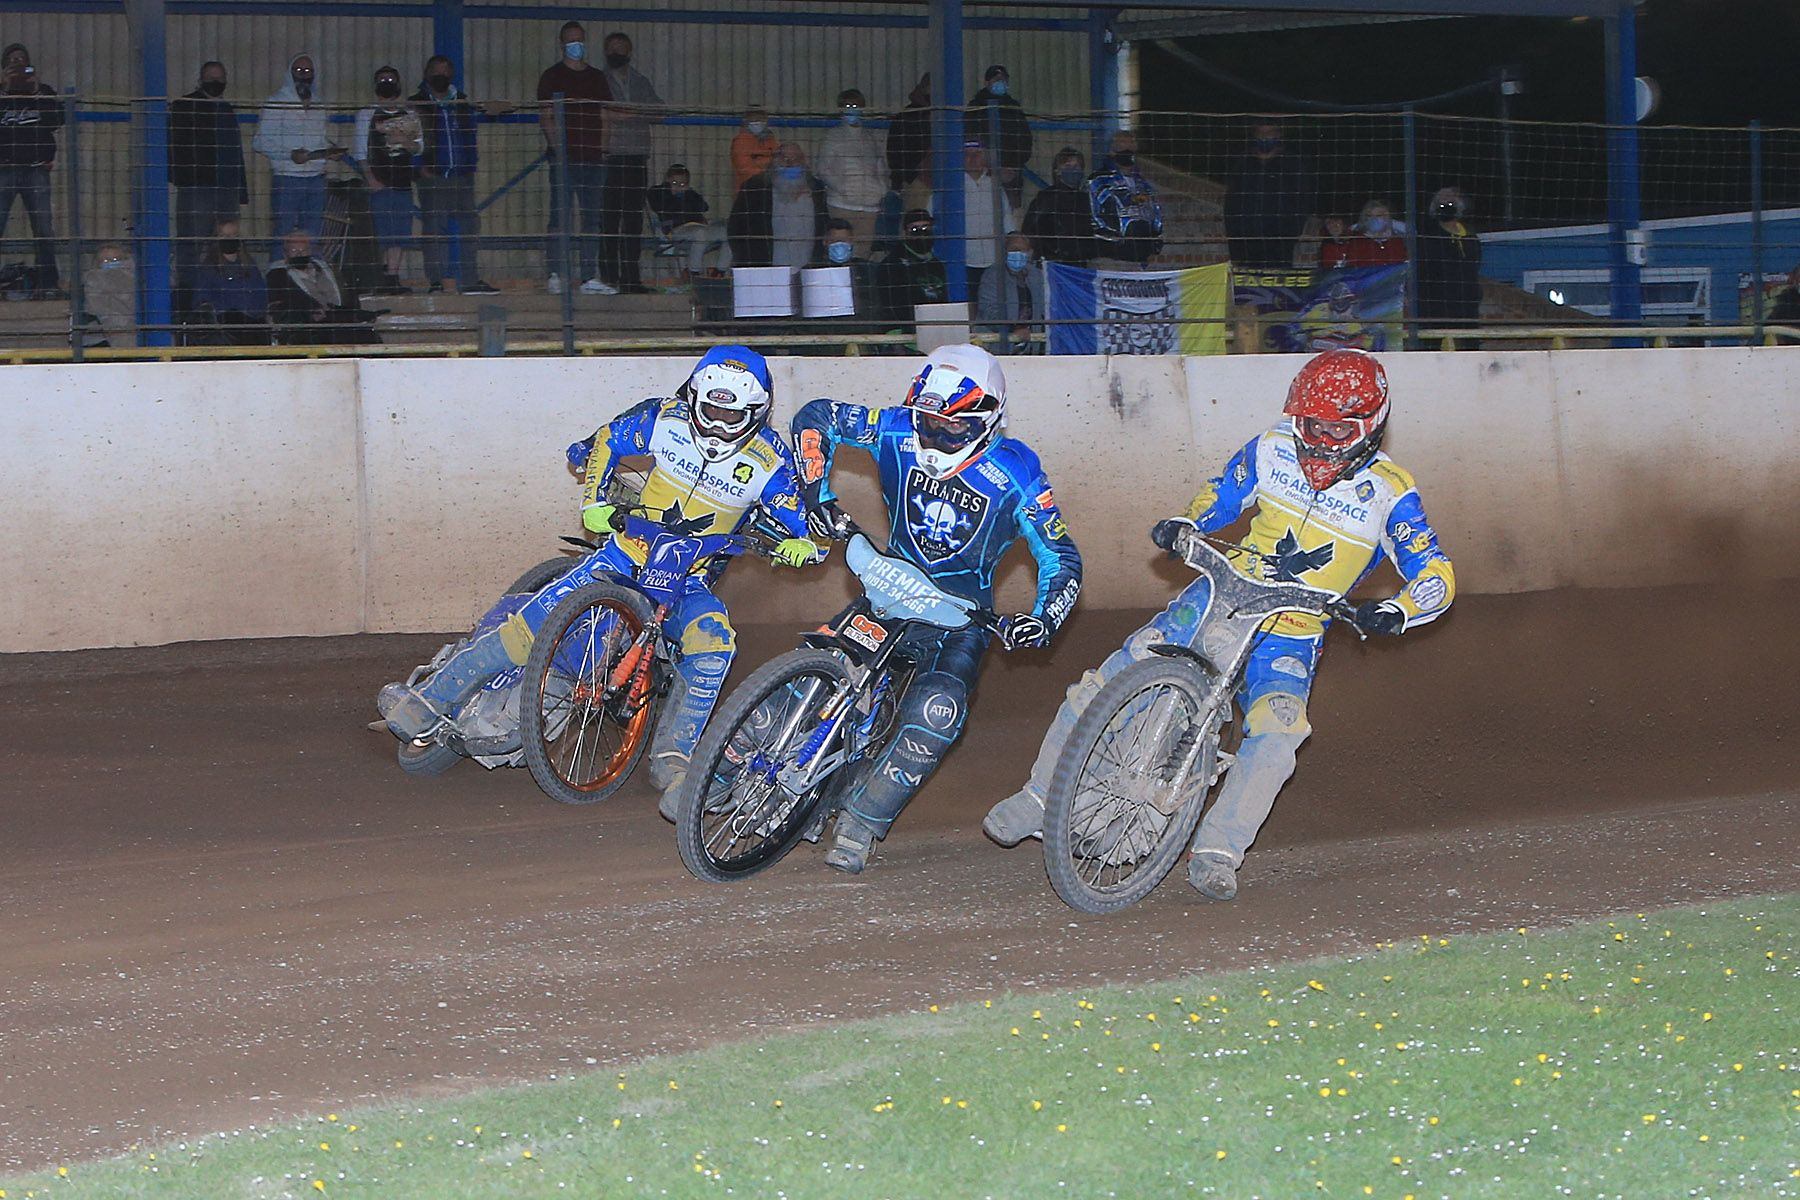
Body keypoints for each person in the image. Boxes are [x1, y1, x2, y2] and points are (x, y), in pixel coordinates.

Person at [985, 349, 1455, 902]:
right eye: (1311, 425)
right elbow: (1221, 493)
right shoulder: (1272, 447)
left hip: (1293, 629)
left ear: (1369, 427)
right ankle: (1040, 796)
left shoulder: (1392, 493)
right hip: (1218, 592)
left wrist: (1400, 609)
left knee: (1278, 738)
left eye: (1337, 428)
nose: (1321, 439)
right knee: (1110, 677)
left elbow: (1436, 572)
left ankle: (1219, 850)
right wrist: (1189, 521)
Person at [376, 346, 821, 807]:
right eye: (708, 408)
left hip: (688, 582)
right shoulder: (662, 418)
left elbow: (803, 523)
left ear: (757, 412)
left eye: (731, 416)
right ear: (692, 396)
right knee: (531, 625)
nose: (716, 424)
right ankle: (430, 699)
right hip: (623, 557)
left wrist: (802, 544)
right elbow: (607, 440)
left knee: (714, 647)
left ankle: (674, 761)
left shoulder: (772, 460)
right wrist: (594, 503)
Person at [792, 345, 1081, 874]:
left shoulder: (1016, 472)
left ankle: (862, 822)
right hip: (888, 589)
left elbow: (1061, 555)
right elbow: (815, 417)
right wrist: (816, 494)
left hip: (960, 619)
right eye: (927, 423)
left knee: (937, 711)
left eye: (951, 430)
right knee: (807, 670)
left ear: (988, 420)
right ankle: (723, 775)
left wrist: (1042, 617)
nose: (933, 438)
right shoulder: (894, 426)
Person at [536, 20, 614, 295]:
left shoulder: (596, 77)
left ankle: (589, 276)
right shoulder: (551, 76)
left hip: (594, 157)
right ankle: (556, 273)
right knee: (560, 216)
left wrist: (603, 149)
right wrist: (559, 150)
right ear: (562, 44)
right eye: (571, 40)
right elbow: (546, 115)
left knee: (592, 218)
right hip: (565, 159)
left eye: (579, 40)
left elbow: (605, 114)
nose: (576, 45)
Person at [410, 56, 497, 296]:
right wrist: (419, 168)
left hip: (462, 175)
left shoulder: (461, 100)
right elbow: (407, 139)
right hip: (433, 176)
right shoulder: (416, 103)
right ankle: (438, 282)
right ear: (427, 73)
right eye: (437, 71)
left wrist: (471, 163)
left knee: (470, 226)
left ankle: (470, 281)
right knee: (435, 229)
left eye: (446, 71)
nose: (442, 75)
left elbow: (470, 132)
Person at [170, 61, 248, 290]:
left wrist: (239, 189)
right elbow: (178, 146)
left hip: (227, 187)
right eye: (211, 78)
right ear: (200, 80)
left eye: (220, 78)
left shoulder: (226, 109)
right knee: (191, 243)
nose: (216, 83)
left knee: (227, 243)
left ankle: (224, 288)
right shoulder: (186, 105)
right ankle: (188, 294)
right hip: (198, 188)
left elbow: (235, 151)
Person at [253, 54, 342, 252]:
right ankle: (279, 275)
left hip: (316, 178)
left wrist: (329, 151)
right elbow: (259, 141)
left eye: (308, 71)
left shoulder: (318, 103)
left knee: (313, 235)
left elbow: (320, 138)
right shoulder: (276, 101)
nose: (304, 75)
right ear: (290, 73)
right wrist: (289, 154)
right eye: (299, 71)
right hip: (287, 178)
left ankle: (312, 278)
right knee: (283, 234)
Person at [597, 31, 663, 293]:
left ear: (630, 51)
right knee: (609, 219)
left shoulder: (640, 81)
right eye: (612, 48)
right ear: (605, 51)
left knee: (633, 221)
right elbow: (602, 111)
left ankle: (632, 278)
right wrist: (636, 111)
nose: (617, 52)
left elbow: (658, 110)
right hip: (610, 157)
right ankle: (610, 277)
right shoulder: (598, 80)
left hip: (636, 157)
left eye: (621, 48)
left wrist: (624, 112)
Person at [0, 43, 65, 298]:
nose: (18, 65)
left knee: (43, 228)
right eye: (12, 62)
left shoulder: (44, 92)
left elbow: (58, 120)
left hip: (36, 169)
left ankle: (48, 283)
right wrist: (5, 89)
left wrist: (36, 90)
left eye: (22, 61)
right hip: (3, 169)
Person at [353, 66, 422, 296]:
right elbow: (361, 152)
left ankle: (393, 276)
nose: (387, 82)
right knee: (381, 232)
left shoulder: (410, 115)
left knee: (400, 233)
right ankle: (379, 277)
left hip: (402, 182)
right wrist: (370, 179)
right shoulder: (366, 114)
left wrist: (404, 140)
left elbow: (419, 147)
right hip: (379, 182)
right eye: (382, 79)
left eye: (391, 79)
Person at [1223, 121, 1314, 270]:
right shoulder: (1243, 162)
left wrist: (1292, 232)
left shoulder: (1292, 163)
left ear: (1279, 134)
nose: (1265, 137)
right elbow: (1231, 203)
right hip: (1246, 239)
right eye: (1261, 133)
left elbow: (1301, 200)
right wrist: (1234, 236)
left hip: (1279, 239)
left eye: (1270, 133)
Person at [266, 228, 379, 345]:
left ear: (310, 251)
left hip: (339, 318)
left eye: (303, 250)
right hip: (310, 326)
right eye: (294, 250)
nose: (299, 254)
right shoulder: (278, 275)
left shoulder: (328, 270)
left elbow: (347, 295)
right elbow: (283, 303)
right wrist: (310, 311)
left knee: (367, 333)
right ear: (285, 254)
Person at [931, 138, 1014, 296]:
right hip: (961, 264)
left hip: (993, 263)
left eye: (977, 154)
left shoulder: (996, 187)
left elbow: (1008, 223)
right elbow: (934, 224)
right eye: (967, 154)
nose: (973, 158)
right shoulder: (946, 188)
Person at [726, 143, 828, 269]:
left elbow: (824, 226)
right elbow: (735, 228)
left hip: (808, 269)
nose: (790, 163)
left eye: (795, 159)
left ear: (803, 162)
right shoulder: (754, 188)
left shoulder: (817, 189)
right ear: (774, 160)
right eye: (784, 158)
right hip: (765, 269)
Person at [816, 88, 888, 258]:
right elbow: (823, 168)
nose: (852, 109)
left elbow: (880, 166)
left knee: (862, 254)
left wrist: (881, 189)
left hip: (869, 206)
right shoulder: (833, 136)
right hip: (842, 205)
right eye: (848, 105)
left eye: (856, 105)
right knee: (840, 252)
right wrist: (842, 188)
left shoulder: (869, 137)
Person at [187, 218, 269, 344]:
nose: (230, 239)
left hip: (253, 325)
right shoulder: (208, 269)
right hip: (225, 326)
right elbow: (201, 302)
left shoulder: (250, 266)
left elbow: (261, 294)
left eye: (234, 235)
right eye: (224, 235)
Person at [1087, 131, 1162, 267]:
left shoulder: (1143, 184)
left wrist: (1154, 246)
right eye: (1122, 143)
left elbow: (1155, 216)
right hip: (1110, 258)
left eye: (1132, 143)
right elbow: (1092, 215)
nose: (1128, 148)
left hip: (1141, 259)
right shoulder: (1098, 180)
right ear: (1112, 149)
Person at [647, 163, 730, 280]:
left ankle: (720, 271)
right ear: (667, 180)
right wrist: (676, 196)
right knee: (700, 234)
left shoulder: (690, 194)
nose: (677, 187)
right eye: (674, 183)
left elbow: (704, 207)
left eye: (682, 184)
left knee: (731, 233)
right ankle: (694, 273)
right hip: (676, 230)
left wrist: (688, 193)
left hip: (700, 227)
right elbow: (664, 208)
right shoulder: (657, 192)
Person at [967, 64, 1032, 207]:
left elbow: (1025, 142)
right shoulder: (976, 108)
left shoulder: (1013, 108)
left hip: (1011, 176)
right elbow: (971, 141)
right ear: (987, 82)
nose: (1000, 82)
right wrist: (991, 167)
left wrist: (1012, 168)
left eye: (1003, 79)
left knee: (1010, 214)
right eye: (996, 79)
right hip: (983, 174)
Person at [1415, 185, 1481, 327]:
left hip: (1467, 304)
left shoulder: (1470, 237)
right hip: (1435, 305)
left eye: (1449, 199)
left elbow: (1474, 268)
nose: (1445, 203)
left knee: (1468, 343)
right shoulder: (1428, 236)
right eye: (1441, 200)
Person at [1023, 146, 1095, 268]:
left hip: (1080, 264)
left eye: (1077, 166)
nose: (1073, 170)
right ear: (1057, 171)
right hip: (1052, 264)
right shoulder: (1046, 197)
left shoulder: (1086, 199)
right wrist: (1050, 253)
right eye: (1067, 166)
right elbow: (1030, 230)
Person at [875, 208, 948, 326]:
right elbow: (888, 306)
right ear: (905, 233)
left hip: (937, 327)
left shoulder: (936, 263)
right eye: (915, 229)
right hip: (907, 332)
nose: (921, 233)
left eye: (925, 228)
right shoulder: (892, 264)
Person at [975, 232, 1043, 353]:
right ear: (1005, 251)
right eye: (1014, 249)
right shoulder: (992, 276)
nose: (1018, 254)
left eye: (1023, 250)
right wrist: (1012, 328)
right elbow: (988, 311)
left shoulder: (1036, 276)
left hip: (1031, 346)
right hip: (997, 345)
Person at [886, 73, 933, 212]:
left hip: (940, 181)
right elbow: (895, 154)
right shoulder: (908, 116)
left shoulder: (945, 114)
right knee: (916, 222)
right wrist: (911, 177)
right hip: (917, 182)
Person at [79, 243, 135, 347]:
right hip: (101, 337)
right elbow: (94, 308)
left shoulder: (137, 281)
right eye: (105, 261)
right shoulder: (91, 281)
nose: (110, 264)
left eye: (115, 260)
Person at [730, 106, 778, 196]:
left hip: (771, 190)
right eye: (753, 120)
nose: (757, 122)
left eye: (760, 119)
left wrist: (759, 162)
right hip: (748, 190)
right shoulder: (741, 141)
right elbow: (744, 168)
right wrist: (768, 168)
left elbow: (778, 160)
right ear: (746, 122)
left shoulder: (770, 139)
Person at [1345, 199, 1406, 268]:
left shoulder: (1397, 241)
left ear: (1388, 217)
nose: (1374, 219)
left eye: (1379, 215)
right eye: (1369, 216)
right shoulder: (1357, 241)